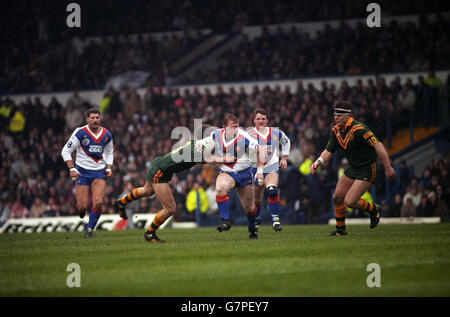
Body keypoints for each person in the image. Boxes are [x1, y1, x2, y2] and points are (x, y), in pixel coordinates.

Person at [113, 129, 233, 243]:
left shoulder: (194, 145)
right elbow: (208, 158)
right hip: (160, 171)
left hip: (159, 164)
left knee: (147, 191)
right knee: (170, 209)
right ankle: (150, 233)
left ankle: (121, 202)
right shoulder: (197, 150)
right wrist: (223, 159)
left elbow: (206, 156)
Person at [311, 101, 397, 236]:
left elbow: (378, 145)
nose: (336, 117)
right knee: (337, 197)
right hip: (353, 167)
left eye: (340, 114)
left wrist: (387, 167)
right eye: (335, 114)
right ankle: (341, 230)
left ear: (348, 115)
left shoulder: (359, 129)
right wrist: (318, 162)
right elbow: (329, 151)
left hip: (368, 167)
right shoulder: (336, 131)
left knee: (349, 201)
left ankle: (374, 209)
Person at [61, 108, 114, 238]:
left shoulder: (106, 134)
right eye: (92, 118)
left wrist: (109, 167)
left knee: (98, 202)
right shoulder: (80, 132)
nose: (95, 120)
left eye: (97, 118)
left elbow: (109, 152)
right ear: (87, 119)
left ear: (100, 119)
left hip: (99, 172)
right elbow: (65, 151)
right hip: (82, 173)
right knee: (83, 206)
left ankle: (89, 230)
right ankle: (80, 208)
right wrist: (71, 168)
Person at [209, 113, 264, 239]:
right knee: (220, 188)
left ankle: (252, 229)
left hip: (245, 173)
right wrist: (221, 158)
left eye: (237, 126)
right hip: (227, 172)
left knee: (249, 208)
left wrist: (260, 171)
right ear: (223, 127)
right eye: (232, 127)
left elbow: (260, 150)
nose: (235, 129)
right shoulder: (215, 135)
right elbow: (204, 157)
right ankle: (225, 220)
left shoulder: (244, 137)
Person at [248, 107, 291, 231]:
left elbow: (286, 142)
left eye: (263, 119)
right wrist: (257, 150)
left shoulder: (276, 132)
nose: (260, 121)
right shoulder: (249, 134)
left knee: (272, 190)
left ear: (267, 120)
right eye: (258, 119)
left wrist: (284, 158)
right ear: (254, 121)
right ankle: (256, 218)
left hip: (271, 167)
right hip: (255, 169)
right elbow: (243, 150)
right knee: (256, 199)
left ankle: (276, 220)